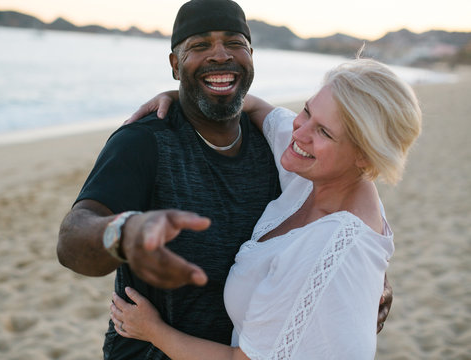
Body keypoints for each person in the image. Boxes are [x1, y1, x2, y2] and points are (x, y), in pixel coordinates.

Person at [57, 0, 392, 358]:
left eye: (234, 43)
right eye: (200, 45)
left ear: (251, 57)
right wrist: (122, 233)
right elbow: (72, 238)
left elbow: (342, 205)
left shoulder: (282, 150)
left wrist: (365, 280)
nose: (220, 55)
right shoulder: (145, 141)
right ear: (175, 65)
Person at [110, 58, 422, 359]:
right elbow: (259, 108)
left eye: (324, 132)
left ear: (366, 156)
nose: (299, 132)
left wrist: (152, 330)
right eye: (307, 110)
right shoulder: (322, 176)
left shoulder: (327, 246)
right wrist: (181, 96)